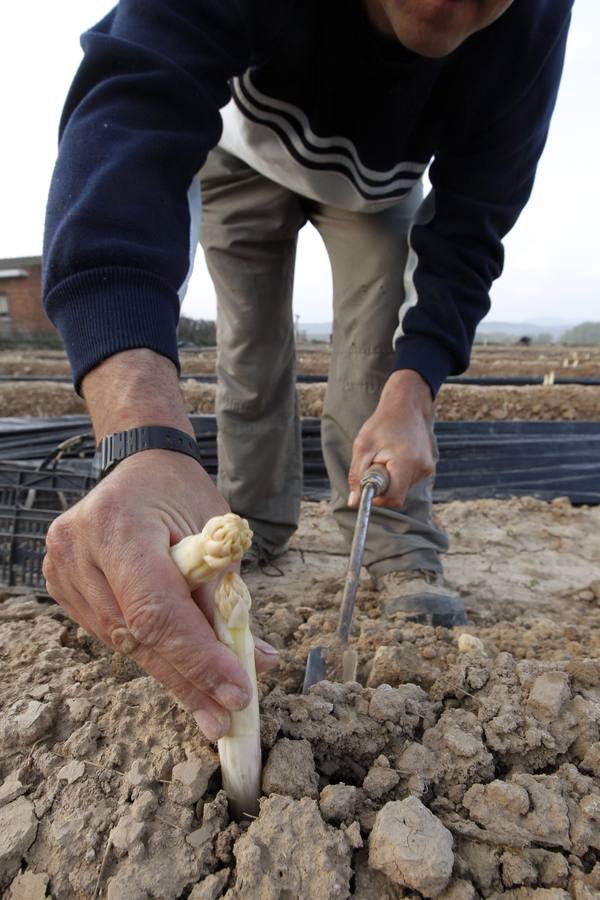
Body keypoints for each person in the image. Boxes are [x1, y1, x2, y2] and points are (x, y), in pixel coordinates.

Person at [42, 0, 573, 741]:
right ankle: (245, 529)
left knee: (375, 366)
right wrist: (138, 434)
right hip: (247, 152)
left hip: (380, 187)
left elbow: (473, 220)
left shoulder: (536, 25)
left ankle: (399, 546)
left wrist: (416, 381)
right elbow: (134, 99)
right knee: (251, 356)